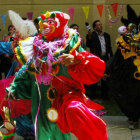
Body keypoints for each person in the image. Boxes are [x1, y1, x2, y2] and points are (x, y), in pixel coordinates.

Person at [1, 10, 108, 140]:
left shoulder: (70, 44)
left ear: (60, 24)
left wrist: (76, 59)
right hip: (39, 99)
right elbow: (27, 71)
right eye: (44, 22)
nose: (45, 26)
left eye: (50, 22)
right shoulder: (36, 46)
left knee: (60, 132)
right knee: (41, 133)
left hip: (61, 97)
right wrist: (14, 90)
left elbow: (90, 63)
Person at [108, 4, 140, 130]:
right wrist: (108, 70)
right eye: (130, 27)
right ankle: (133, 117)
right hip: (127, 73)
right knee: (129, 94)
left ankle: (135, 117)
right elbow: (117, 57)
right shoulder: (123, 41)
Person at [86, 20, 113, 100]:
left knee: (105, 77)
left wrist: (111, 58)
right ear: (94, 27)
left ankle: (105, 95)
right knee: (94, 77)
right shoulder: (92, 35)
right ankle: (93, 95)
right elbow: (88, 45)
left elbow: (109, 48)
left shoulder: (107, 35)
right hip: (96, 59)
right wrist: (89, 37)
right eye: (98, 25)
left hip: (105, 59)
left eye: (101, 24)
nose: (100, 26)